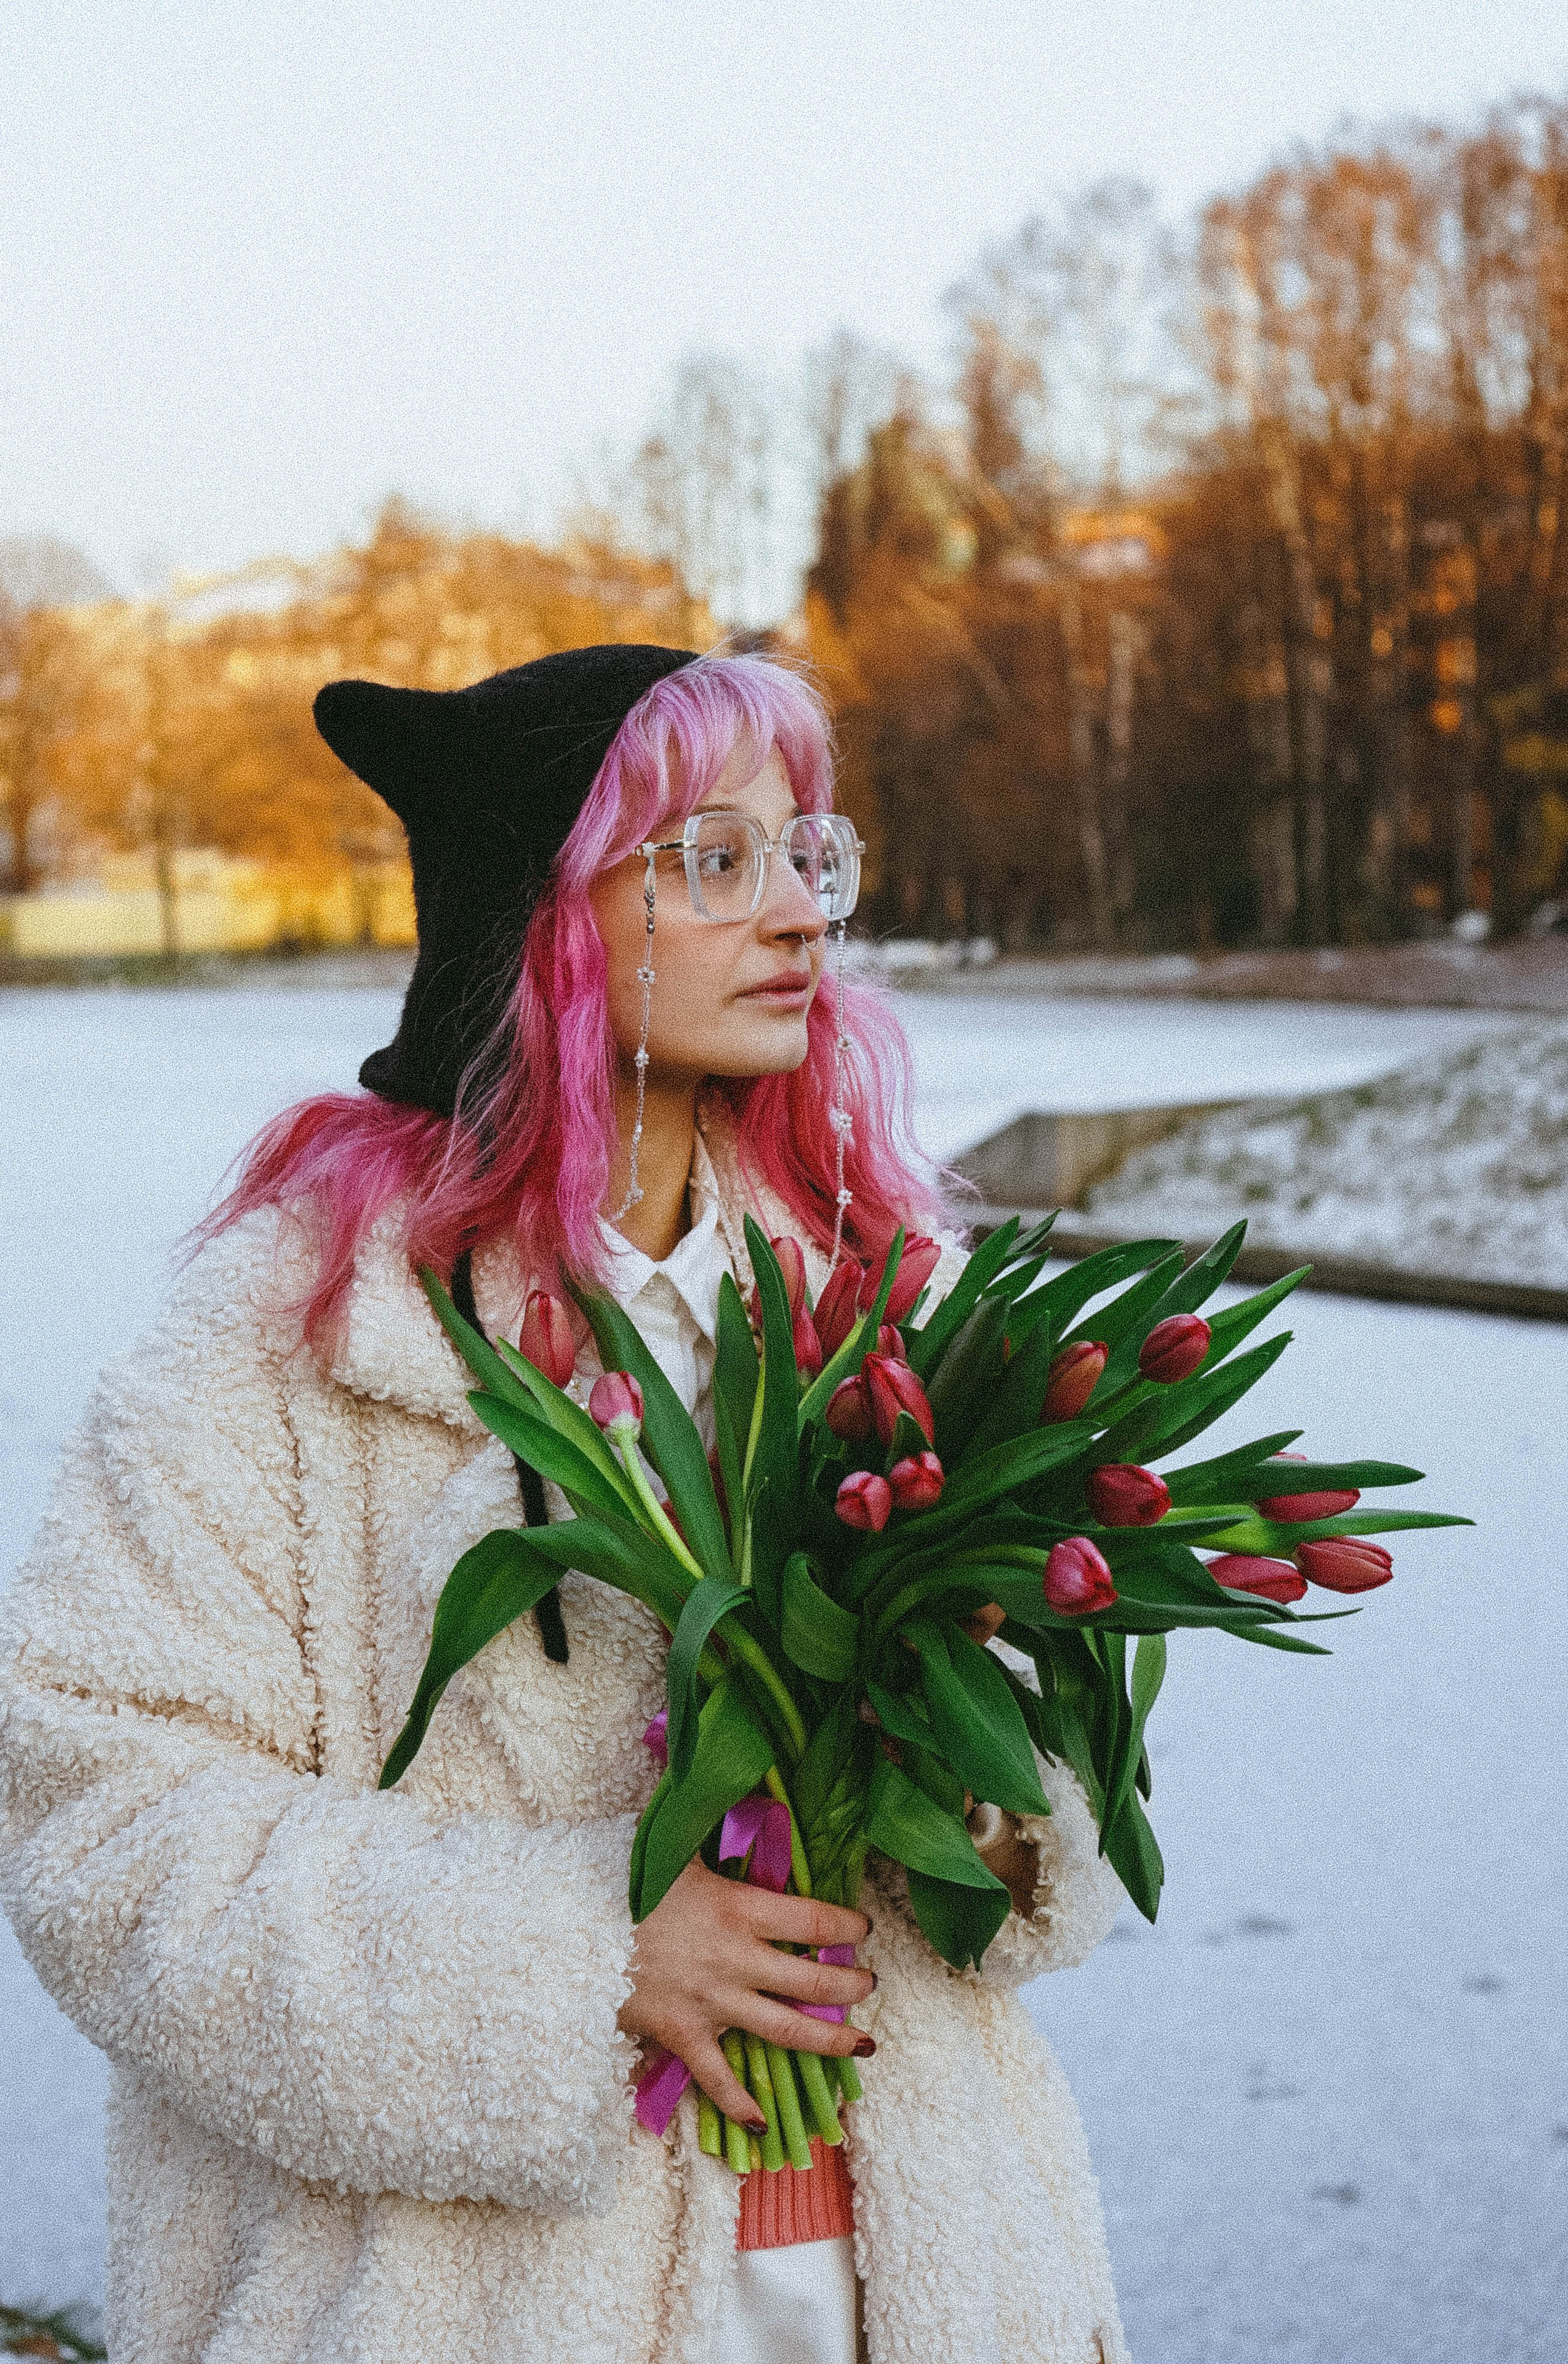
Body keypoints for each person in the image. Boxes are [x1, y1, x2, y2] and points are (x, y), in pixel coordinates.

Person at [0, 646, 1130, 2363]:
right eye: (715, 858)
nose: (802, 917)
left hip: (921, 2279)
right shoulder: (297, 1331)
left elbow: (1059, 1745)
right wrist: (582, 1956)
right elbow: (101, 1820)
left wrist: (985, 1803)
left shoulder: (892, 1299)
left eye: (808, 851)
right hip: (477, 2304)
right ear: (542, 922)